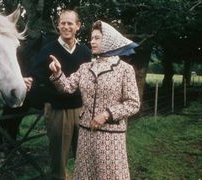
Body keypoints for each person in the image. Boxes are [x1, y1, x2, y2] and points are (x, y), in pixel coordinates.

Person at [48, 20, 140, 179]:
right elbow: (67, 87)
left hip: (111, 136)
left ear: (109, 41)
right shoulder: (86, 67)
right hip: (86, 133)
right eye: (92, 38)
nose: (92, 41)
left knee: (109, 175)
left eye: (97, 38)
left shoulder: (125, 69)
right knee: (86, 174)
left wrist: (106, 114)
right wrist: (58, 73)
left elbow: (133, 104)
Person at [28, 10, 92, 180]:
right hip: (57, 111)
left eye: (70, 23)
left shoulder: (85, 52)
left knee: (84, 155)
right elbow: (36, 77)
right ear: (58, 25)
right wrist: (29, 81)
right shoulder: (48, 50)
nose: (66, 27)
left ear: (78, 26)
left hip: (81, 109)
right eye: (63, 23)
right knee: (58, 158)